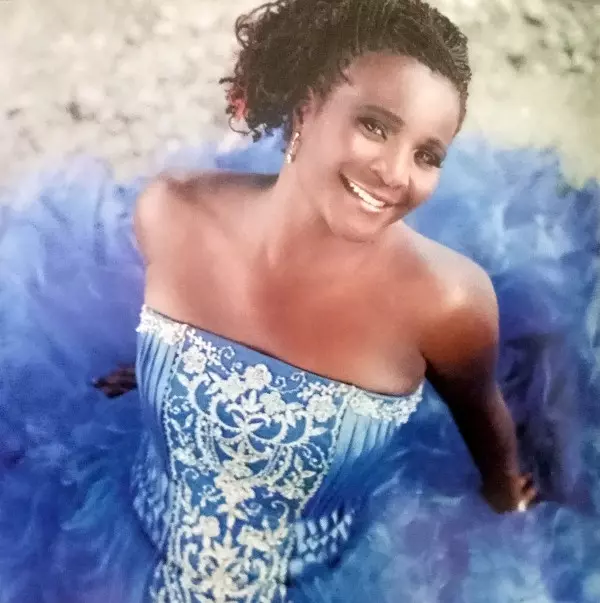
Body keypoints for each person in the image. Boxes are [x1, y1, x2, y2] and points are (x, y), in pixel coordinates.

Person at [0, 0, 598, 602]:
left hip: (322, 578)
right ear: (306, 106)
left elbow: (481, 411)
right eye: (375, 126)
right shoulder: (172, 211)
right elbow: (180, 311)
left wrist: (505, 493)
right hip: (130, 534)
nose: (396, 174)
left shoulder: (448, 302)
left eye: (427, 155)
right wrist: (163, 364)